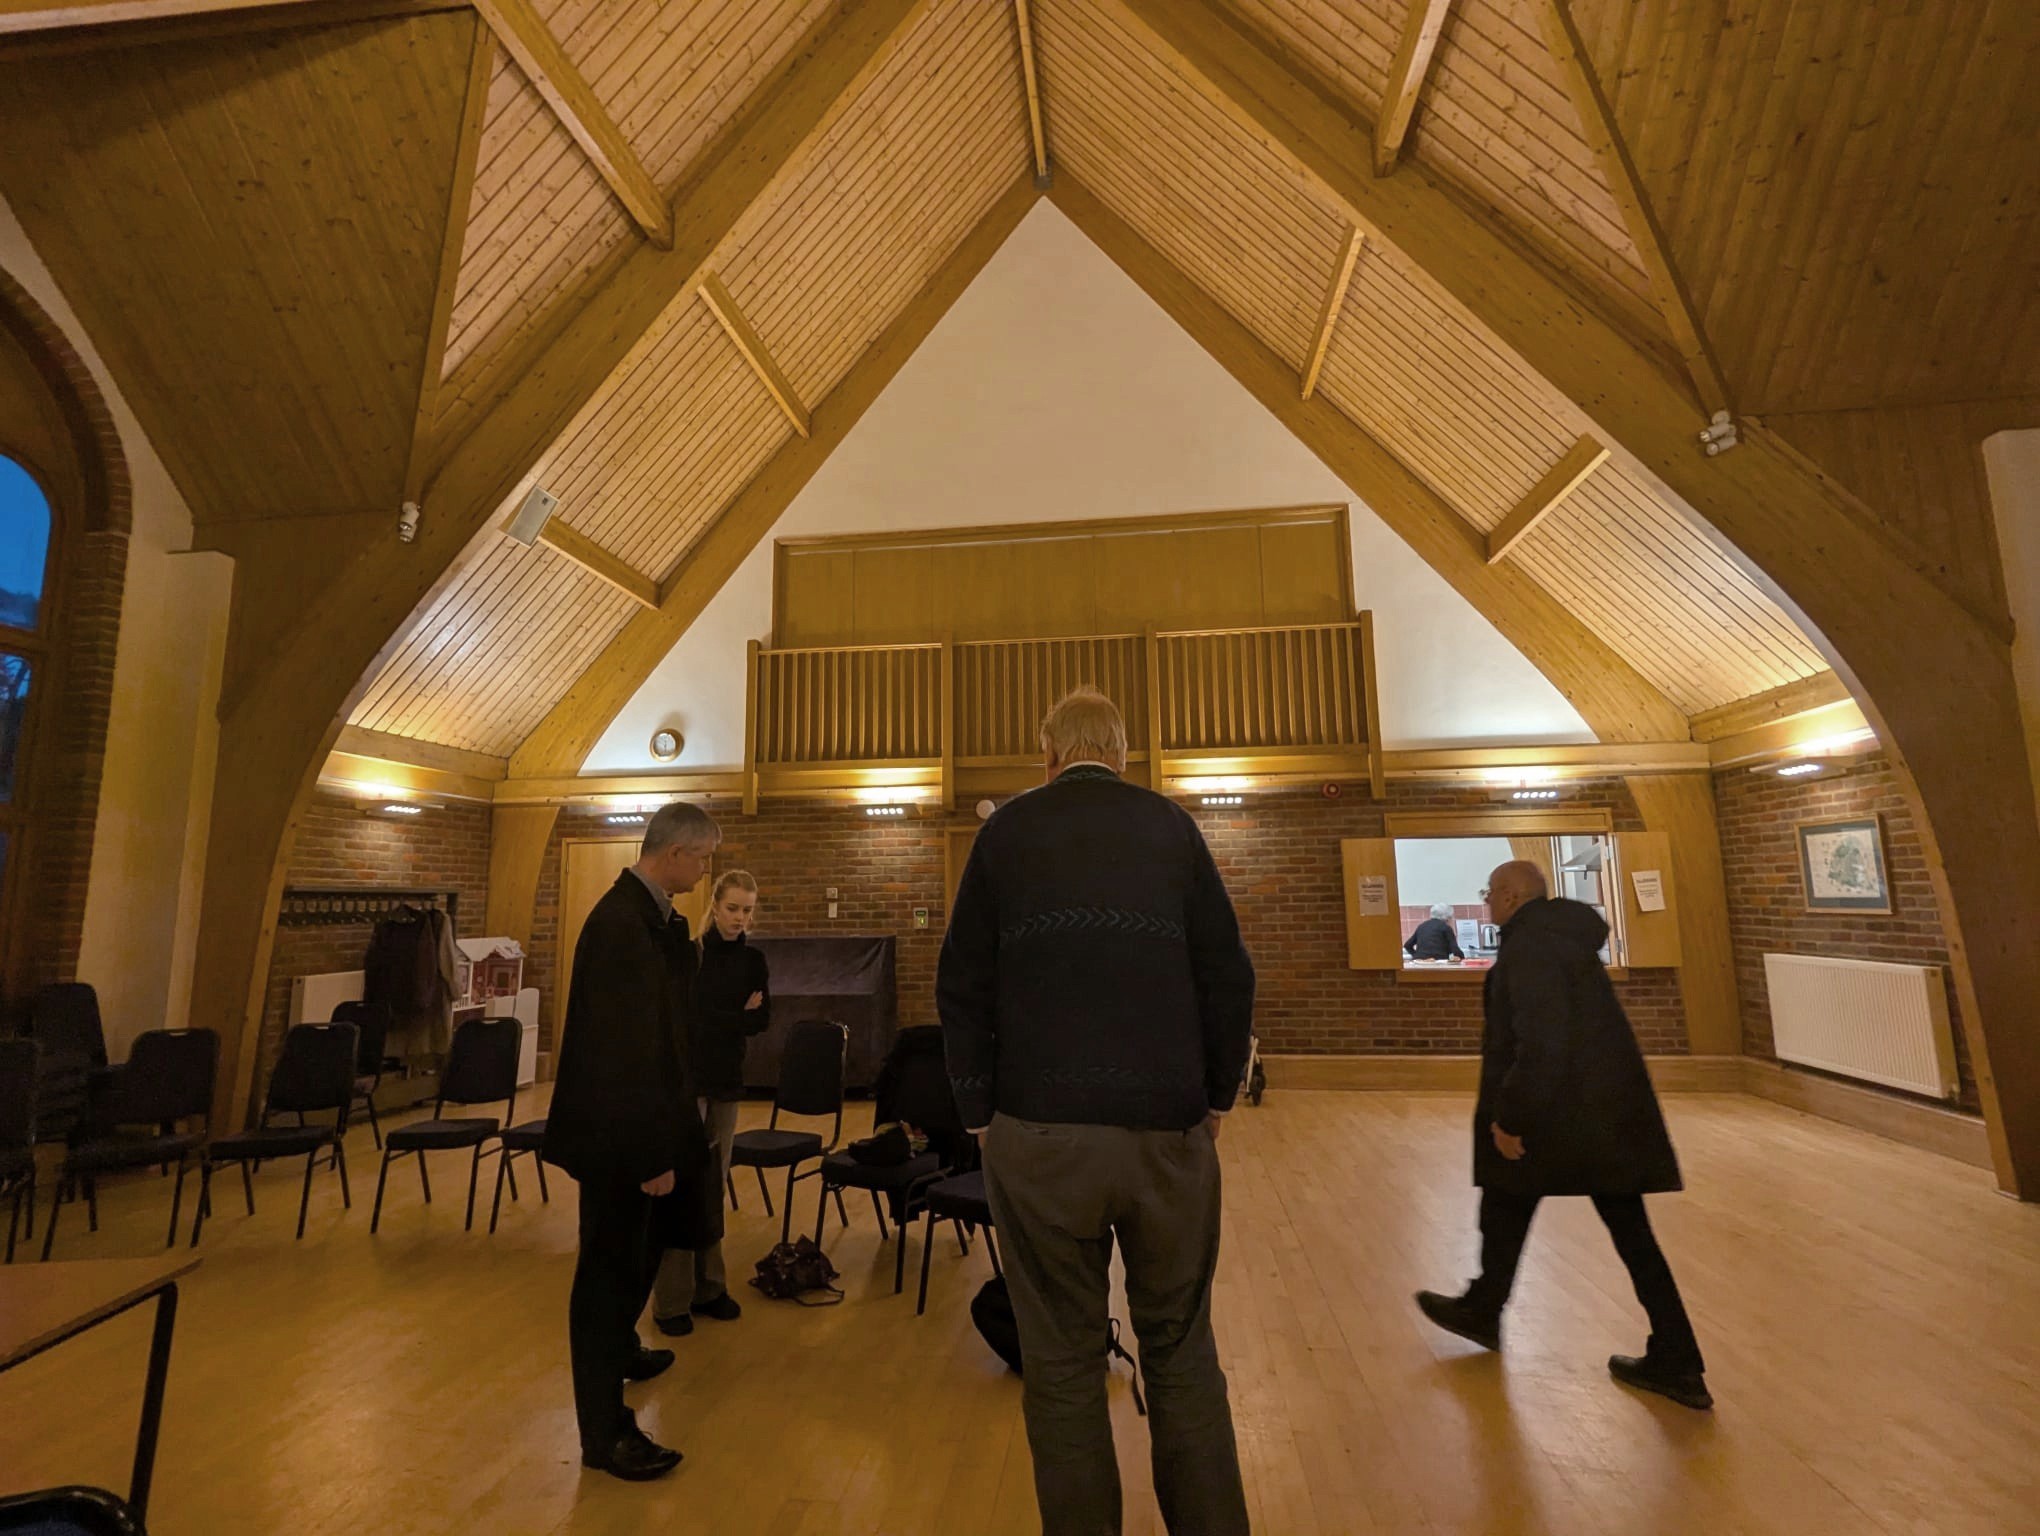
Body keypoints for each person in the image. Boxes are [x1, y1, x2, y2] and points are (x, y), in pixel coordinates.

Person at [939, 687, 1256, 1536]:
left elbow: (961, 983)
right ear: (1123, 755)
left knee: (1062, 1366)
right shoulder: (1173, 829)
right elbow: (1230, 977)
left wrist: (976, 1113)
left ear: (1048, 755)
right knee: (1183, 1355)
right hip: (1168, 1135)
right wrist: (1218, 1095)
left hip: (1037, 1138)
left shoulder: (1004, 833)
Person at [1415, 859, 1711, 1410]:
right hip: (1602, 1117)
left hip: (1563, 1116)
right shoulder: (1563, 940)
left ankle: (1673, 1355)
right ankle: (1675, 1355)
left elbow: (1541, 1043)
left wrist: (1511, 1118)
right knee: (1576, 1219)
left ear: (1507, 896)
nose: (1486, 902)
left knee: (1523, 1197)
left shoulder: (1529, 948)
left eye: (1488, 892)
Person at [542, 802, 724, 1481]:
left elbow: (670, 1021)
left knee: (648, 1248)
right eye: (701, 859)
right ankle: (603, 1433)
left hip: (652, 1125)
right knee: (608, 1274)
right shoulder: (622, 924)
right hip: (624, 1137)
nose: (704, 873)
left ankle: (621, 1348)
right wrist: (649, 1153)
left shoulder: (653, 920)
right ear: (673, 853)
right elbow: (625, 1051)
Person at [652, 869, 769, 1335]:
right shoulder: (692, 955)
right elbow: (688, 1019)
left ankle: (711, 1287)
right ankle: (671, 1301)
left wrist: (727, 1019)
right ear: (715, 906)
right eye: (732, 908)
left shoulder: (753, 960)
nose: (739, 918)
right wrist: (734, 1016)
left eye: (746, 910)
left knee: (713, 1188)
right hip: (689, 1083)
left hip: (726, 1081)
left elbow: (762, 1020)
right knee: (682, 1185)